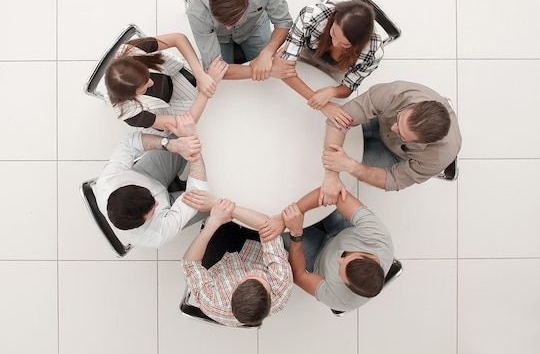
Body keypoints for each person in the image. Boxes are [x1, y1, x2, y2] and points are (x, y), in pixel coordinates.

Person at [320, 81, 462, 201]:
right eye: (399, 118)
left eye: (402, 134)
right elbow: (339, 119)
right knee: (321, 146)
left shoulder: (436, 159)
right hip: (379, 118)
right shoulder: (397, 93)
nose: (393, 128)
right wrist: (331, 174)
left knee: (340, 179)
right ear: (413, 106)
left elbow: (392, 180)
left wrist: (352, 166)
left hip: (395, 153)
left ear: (421, 143)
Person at [259, 188, 393, 312]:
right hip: (342, 230)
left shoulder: (341, 300)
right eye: (346, 258)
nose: (339, 259)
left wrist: (296, 233)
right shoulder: (379, 239)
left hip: (317, 256)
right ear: (373, 258)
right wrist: (287, 216)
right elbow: (334, 193)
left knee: (270, 227)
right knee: (308, 191)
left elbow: (299, 275)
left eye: (340, 269)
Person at [96, 113, 208, 248]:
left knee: (180, 134)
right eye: (153, 208)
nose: (157, 201)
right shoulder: (156, 235)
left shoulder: (110, 180)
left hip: (147, 174)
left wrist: (169, 144)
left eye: (150, 196)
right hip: (169, 210)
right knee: (216, 200)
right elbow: (197, 191)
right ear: (143, 222)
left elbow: (130, 143)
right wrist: (193, 148)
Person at [181, 191, 292, 327]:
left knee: (223, 204)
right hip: (257, 247)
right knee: (260, 204)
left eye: (252, 276)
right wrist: (224, 206)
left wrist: (214, 221)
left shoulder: (213, 302)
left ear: (234, 289)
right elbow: (267, 224)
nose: (260, 273)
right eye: (264, 278)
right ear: (270, 297)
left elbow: (190, 263)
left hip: (221, 262)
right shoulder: (281, 284)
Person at [275, 0, 384, 129]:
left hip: (337, 70)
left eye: (345, 44)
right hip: (307, 53)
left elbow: (348, 87)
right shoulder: (311, 16)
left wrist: (333, 91)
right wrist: (323, 105)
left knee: (313, 120)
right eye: (333, 34)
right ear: (334, 18)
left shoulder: (373, 52)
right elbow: (283, 69)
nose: (336, 43)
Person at [186, 0, 297, 81]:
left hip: (255, 26)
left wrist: (267, 53)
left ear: (249, 0)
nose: (228, 27)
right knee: (215, 80)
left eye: (233, 20)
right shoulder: (197, 10)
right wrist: (267, 71)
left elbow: (284, 22)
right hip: (218, 36)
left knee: (268, 80)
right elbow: (215, 69)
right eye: (222, 22)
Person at [105, 33, 228, 134]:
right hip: (162, 110)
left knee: (198, 97)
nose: (151, 83)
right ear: (131, 97)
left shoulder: (131, 51)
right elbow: (186, 124)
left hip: (171, 75)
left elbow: (178, 38)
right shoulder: (130, 113)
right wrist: (209, 85)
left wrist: (200, 74)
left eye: (147, 76)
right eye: (144, 89)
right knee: (187, 126)